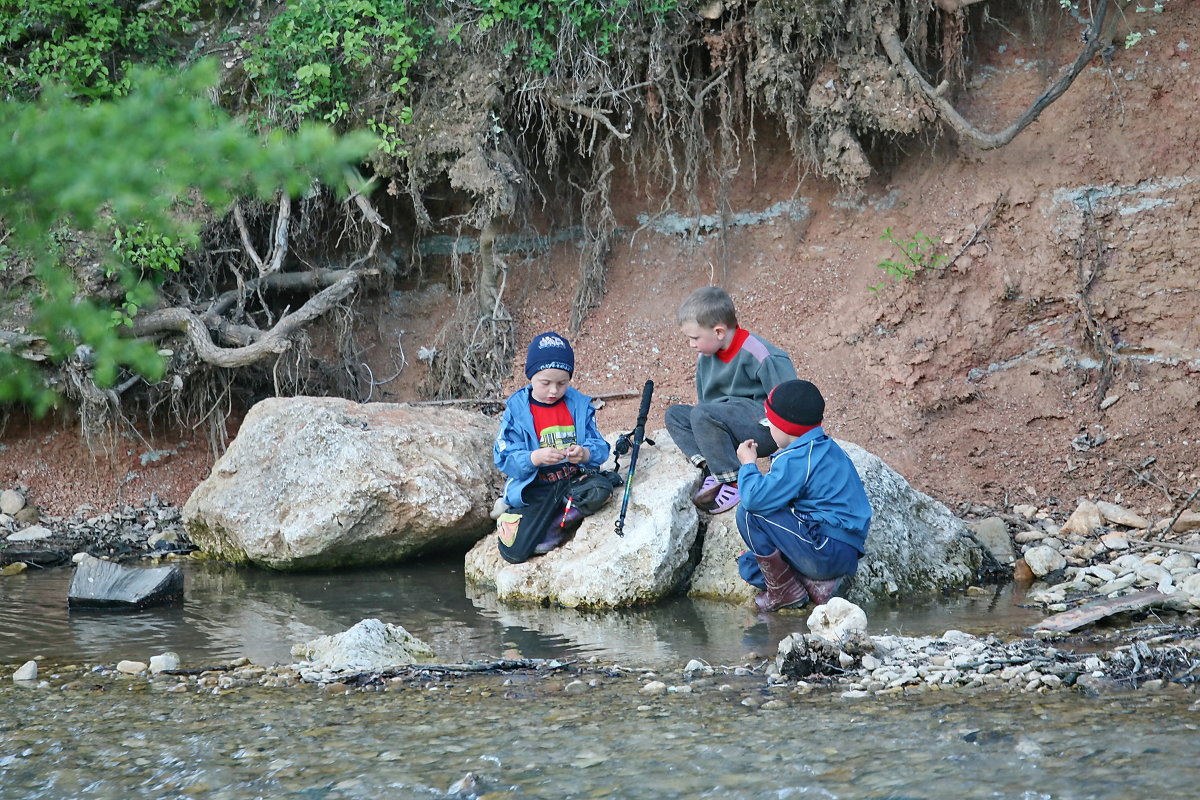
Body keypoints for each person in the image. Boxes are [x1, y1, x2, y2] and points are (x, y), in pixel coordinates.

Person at [733, 379, 872, 612]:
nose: (769, 429)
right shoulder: (826, 447)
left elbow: (754, 499)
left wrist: (748, 464)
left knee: (748, 513)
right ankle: (816, 586)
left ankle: (785, 593)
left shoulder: (798, 458)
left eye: (770, 423)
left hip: (824, 549)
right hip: (844, 553)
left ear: (785, 428)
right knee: (749, 564)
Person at [665, 286, 797, 514]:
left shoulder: (760, 354)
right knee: (675, 415)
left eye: (695, 338)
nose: (691, 344)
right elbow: (706, 404)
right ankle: (713, 469)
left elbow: (790, 402)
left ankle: (734, 480)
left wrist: (791, 448)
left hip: (763, 431)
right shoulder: (705, 358)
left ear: (718, 331)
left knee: (703, 414)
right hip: (724, 425)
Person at [493, 331, 611, 558]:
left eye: (562, 383)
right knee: (514, 552)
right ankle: (512, 513)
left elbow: (600, 446)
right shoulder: (518, 410)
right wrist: (534, 458)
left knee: (601, 489)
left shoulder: (578, 405)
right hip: (536, 486)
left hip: (572, 480)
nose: (554, 391)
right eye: (545, 383)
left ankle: (558, 523)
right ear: (531, 376)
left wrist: (585, 453)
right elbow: (503, 456)